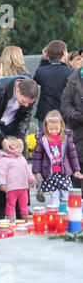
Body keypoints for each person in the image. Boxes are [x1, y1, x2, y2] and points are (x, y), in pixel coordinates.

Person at [0, 76, 39, 219]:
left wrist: (20, 138)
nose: (26, 105)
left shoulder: (30, 94)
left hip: (15, 128)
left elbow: (26, 117)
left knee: (20, 165)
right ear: (17, 89)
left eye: (30, 103)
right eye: (23, 101)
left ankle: (22, 208)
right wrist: (2, 139)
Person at [33, 110, 83, 205]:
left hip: (63, 172)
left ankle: (67, 215)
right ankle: (56, 216)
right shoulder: (42, 139)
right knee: (54, 197)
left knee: (66, 195)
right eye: (51, 129)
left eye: (57, 129)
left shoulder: (66, 137)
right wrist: (37, 172)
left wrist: (76, 170)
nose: (54, 131)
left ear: (61, 126)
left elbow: (72, 155)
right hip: (50, 173)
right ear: (46, 127)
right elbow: (37, 157)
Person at [34, 40, 74, 129]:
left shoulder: (41, 71)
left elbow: (37, 80)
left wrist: (43, 60)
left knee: (44, 142)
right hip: (64, 116)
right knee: (65, 142)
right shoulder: (71, 72)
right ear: (64, 52)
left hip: (44, 115)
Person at [0, 136, 36, 222]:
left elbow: (28, 171)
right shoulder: (4, 160)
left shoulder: (22, 159)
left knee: (24, 205)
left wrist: (31, 180)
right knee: (10, 205)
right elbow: (1, 173)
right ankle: (11, 221)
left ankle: (25, 220)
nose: (18, 150)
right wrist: (2, 183)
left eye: (19, 147)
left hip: (23, 187)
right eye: (15, 147)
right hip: (11, 188)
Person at [60, 60, 83, 190]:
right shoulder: (73, 80)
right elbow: (65, 104)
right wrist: (77, 117)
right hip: (77, 132)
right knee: (77, 174)